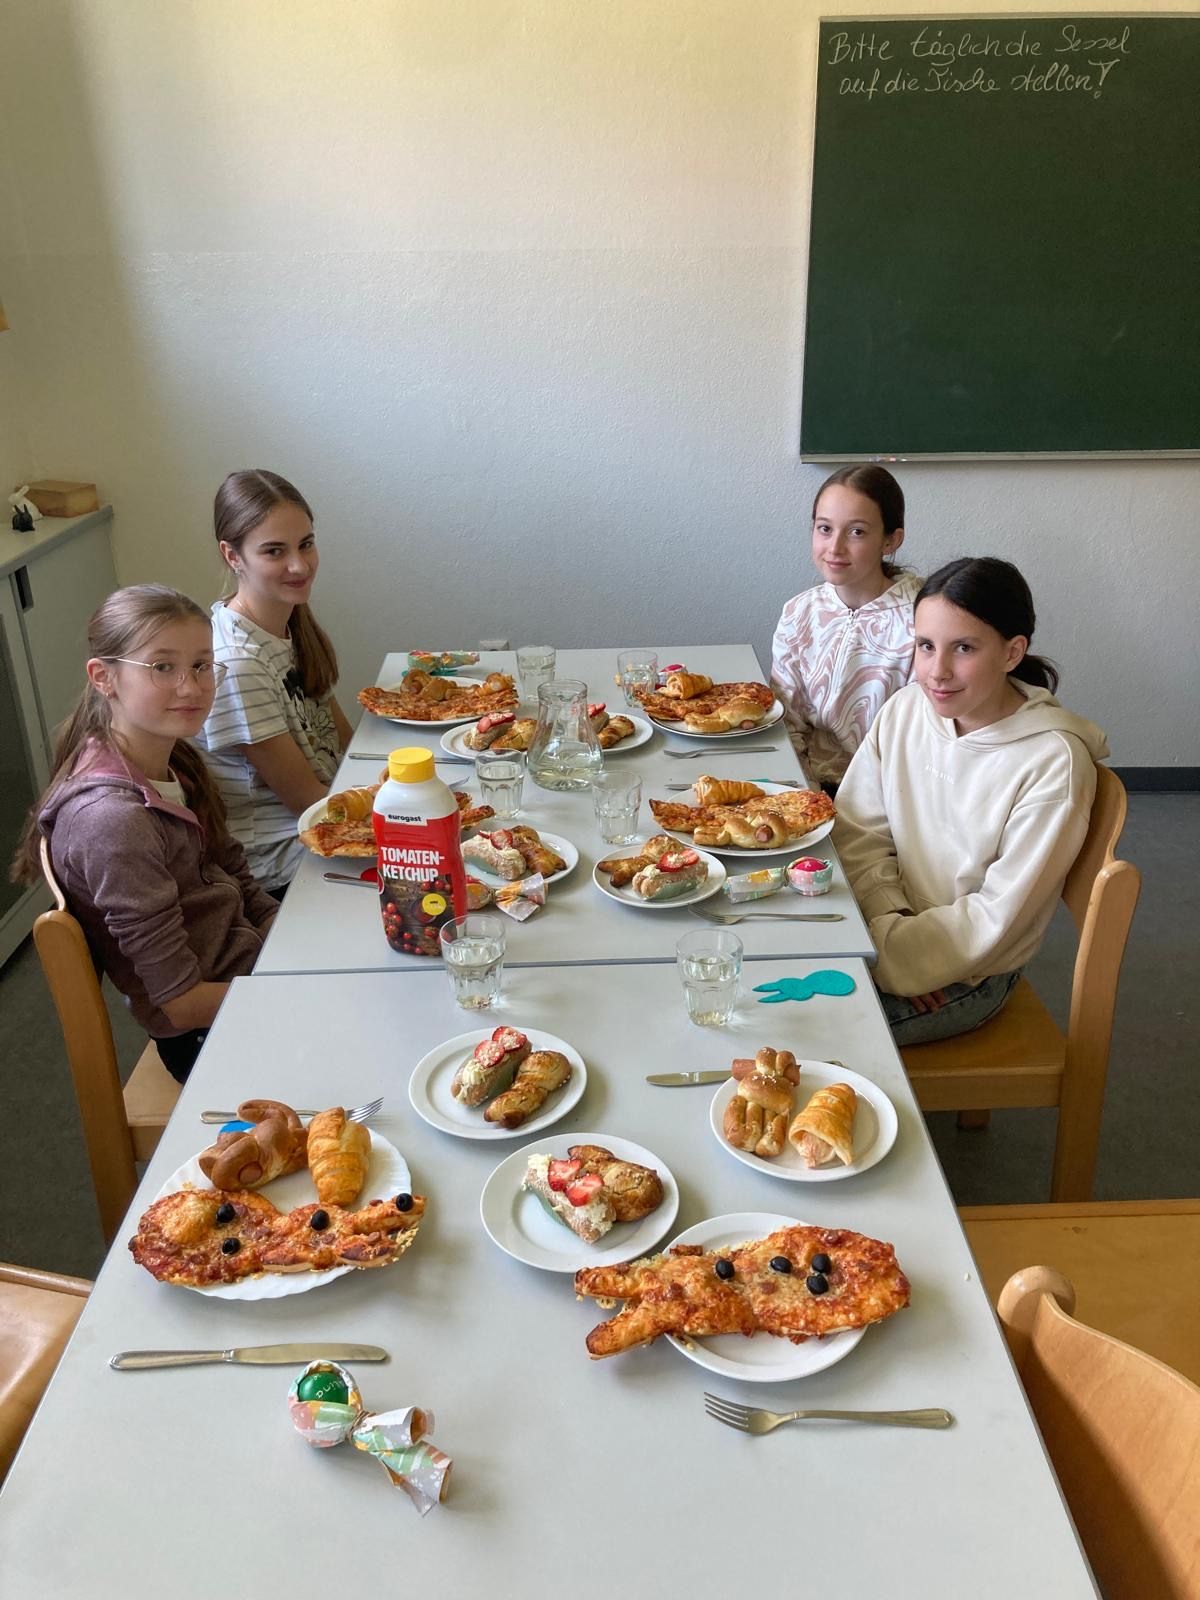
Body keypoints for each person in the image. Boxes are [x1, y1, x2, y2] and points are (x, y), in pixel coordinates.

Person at [834, 557, 1108, 1046]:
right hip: (884, 932)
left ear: (1012, 652)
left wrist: (907, 961)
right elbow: (859, 831)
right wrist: (891, 927)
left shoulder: (1053, 763)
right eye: (925, 645)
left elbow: (998, 916)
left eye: (963, 648)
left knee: (813, 1033)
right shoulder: (905, 710)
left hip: (969, 974)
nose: (937, 672)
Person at [11, 585, 279, 1083]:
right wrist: (294, 989)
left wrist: (289, 939)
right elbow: (181, 1005)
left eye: (202, 665)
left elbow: (236, 875)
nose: (190, 687)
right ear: (104, 677)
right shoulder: (113, 822)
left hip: (248, 970)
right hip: (209, 1032)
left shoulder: (175, 758)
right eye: (162, 667)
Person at [197, 469, 351, 895]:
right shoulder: (237, 663)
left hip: (322, 825)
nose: (299, 565)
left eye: (306, 544)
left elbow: (345, 744)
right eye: (274, 551)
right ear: (232, 556)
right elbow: (309, 802)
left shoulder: (290, 623)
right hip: (281, 868)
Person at [771, 465, 921, 789]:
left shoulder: (922, 621)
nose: (835, 547)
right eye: (825, 528)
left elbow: (920, 742)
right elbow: (786, 722)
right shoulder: (800, 612)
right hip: (811, 788)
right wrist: (805, 796)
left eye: (857, 532)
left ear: (891, 540)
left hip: (887, 793)